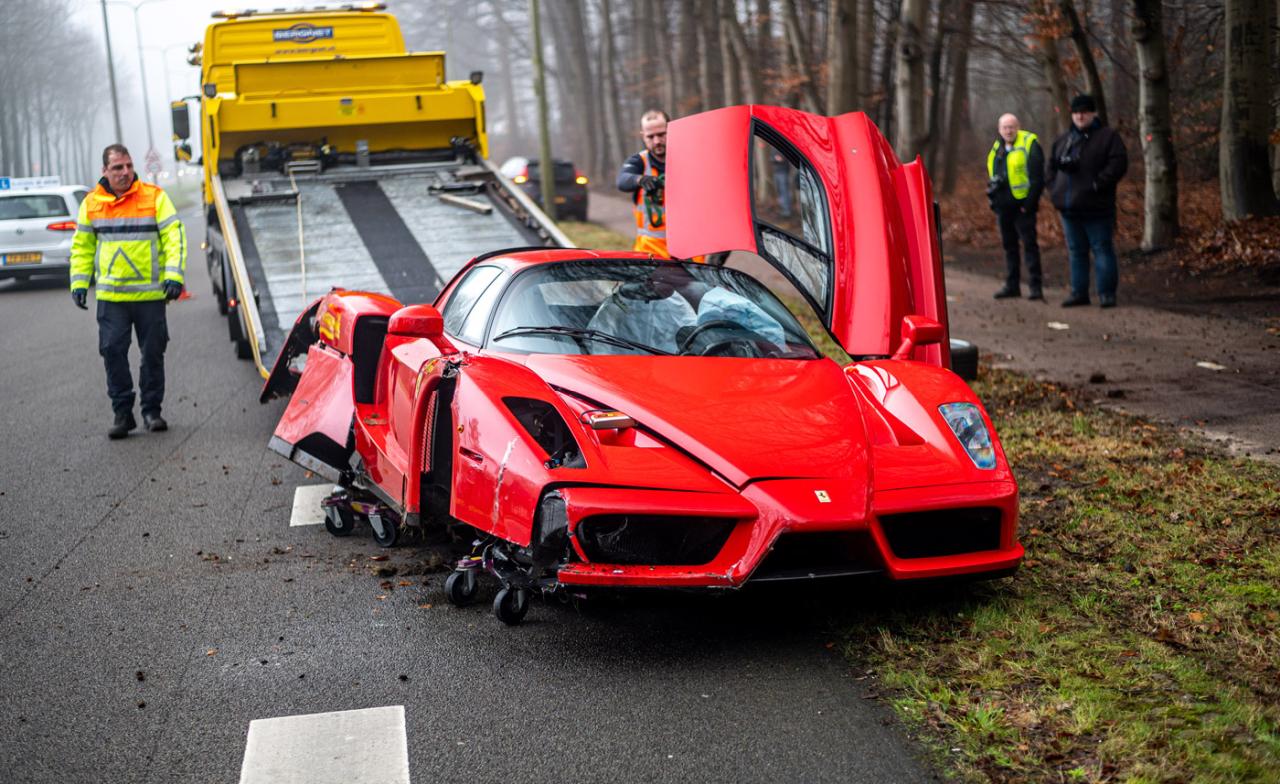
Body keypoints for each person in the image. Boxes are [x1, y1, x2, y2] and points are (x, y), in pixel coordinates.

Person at [70, 144, 187, 438]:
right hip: (112, 299)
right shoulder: (91, 204)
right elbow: (82, 248)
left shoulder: (154, 198)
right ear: (104, 171)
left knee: (152, 354)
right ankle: (123, 414)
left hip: (150, 296)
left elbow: (174, 236)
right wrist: (79, 283)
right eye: (117, 167)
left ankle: (151, 411)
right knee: (112, 351)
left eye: (128, 166)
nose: (125, 172)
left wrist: (174, 276)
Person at [1047, 94, 1128, 308]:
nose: (1080, 116)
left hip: (1097, 207)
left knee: (1102, 248)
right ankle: (1079, 292)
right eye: (1076, 112)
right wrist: (1055, 191)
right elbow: (1050, 168)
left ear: (1093, 113)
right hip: (1069, 207)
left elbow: (1118, 163)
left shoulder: (1107, 137)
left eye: (1084, 112)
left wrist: (1098, 184)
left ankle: (1106, 294)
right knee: (1076, 251)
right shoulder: (1063, 140)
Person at [987, 113, 1044, 300]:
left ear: (1018, 127)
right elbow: (993, 177)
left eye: (1011, 126)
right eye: (1005, 127)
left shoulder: (1029, 143)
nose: (1008, 131)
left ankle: (1035, 287)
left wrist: (1029, 205)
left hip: (1023, 208)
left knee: (1029, 246)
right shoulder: (997, 148)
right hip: (1003, 208)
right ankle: (1012, 286)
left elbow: (1037, 178)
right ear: (999, 129)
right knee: (1009, 247)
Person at [617, 109, 670, 258]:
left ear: (671, 129)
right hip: (651, 252)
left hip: (690, 252)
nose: (657, 141)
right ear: (643, 136)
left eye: (661, 134)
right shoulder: (639, 161)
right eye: (650, 136)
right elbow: (622, 181)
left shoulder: (689, 159)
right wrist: (639, 180)